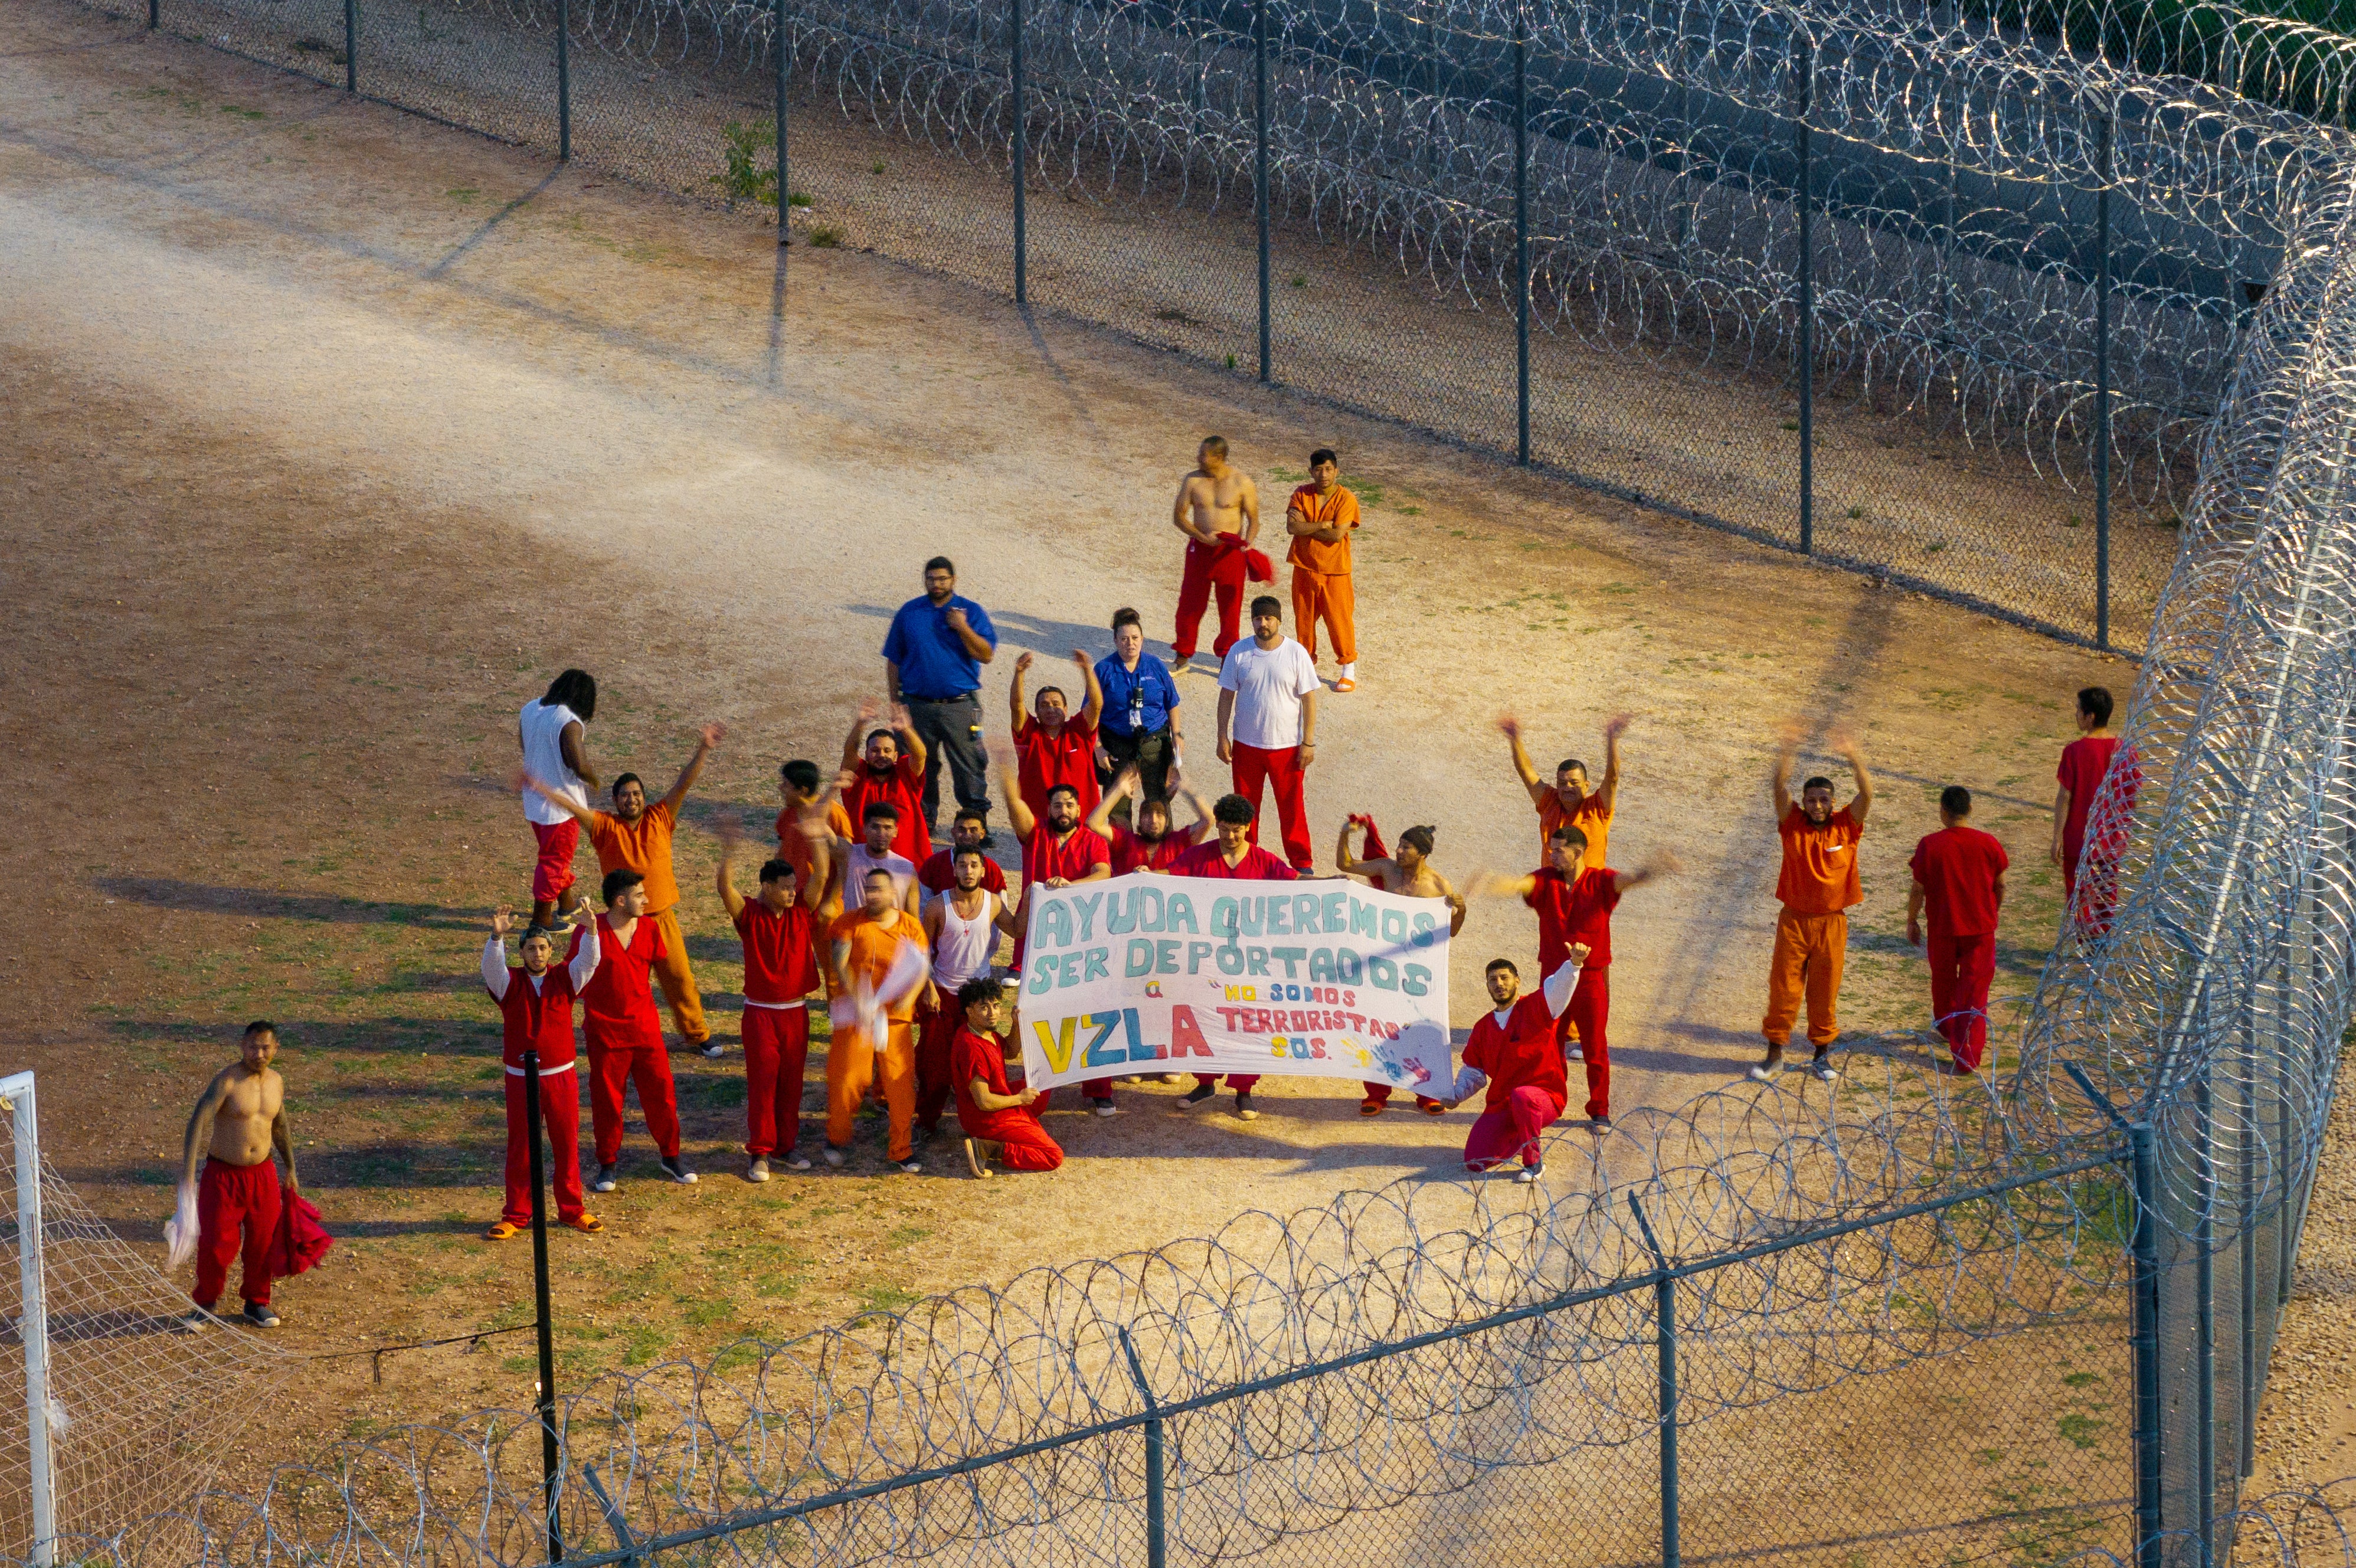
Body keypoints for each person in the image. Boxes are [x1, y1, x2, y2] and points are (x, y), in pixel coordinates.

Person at [524, 722, 725, 1057]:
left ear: (644, 797)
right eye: (624, 795)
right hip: (623, 924)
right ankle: (617, 1037)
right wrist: (538, 786)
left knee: (680, 980)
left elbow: (684, 783)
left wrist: (703, 748)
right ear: (616, 801)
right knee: (621, 988)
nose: (631, 800)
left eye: (636, 794)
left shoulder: (662, 816)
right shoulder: (604, 826)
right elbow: (570, 807)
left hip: (661, 919)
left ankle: (698, 1034)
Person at [1480, 829, 1678, 1130]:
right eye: (1551, 849)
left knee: (1595, 1046)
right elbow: (1521, 884)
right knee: (1549, 1043)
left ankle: (1600, 1109)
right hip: (1554, 978)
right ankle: (1552, 1101)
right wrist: (1498, 884)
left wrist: (1654, 868)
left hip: (1589, 979)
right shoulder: (1546, 880)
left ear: (1578, 852)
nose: (1552, 855)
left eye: (1559, 850)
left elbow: (1632, 880)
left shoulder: (1601, 881)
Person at [1750, 730, 1873, 1083]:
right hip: (1794, 922)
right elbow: (1778, 789)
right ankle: (1775, 1056)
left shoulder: (1847, 827)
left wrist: (1853, 755)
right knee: (1784, 990)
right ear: (1803, 803)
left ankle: (1822, 1056)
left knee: (1825, 991)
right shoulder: (1792, 825)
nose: (1818, 806)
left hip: (1831, 924)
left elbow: (1867, 794)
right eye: (1811, 800)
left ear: (1833, 802)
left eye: (1824, 800)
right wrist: (1787, 749)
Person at [1167, 793, 1299, 1118]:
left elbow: (1297, 882)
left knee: (1247, 1022)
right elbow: (1166, 877)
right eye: (1224, 829)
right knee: (1203, 1017)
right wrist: (1143, 874)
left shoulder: (1264, 861)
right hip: (1206, 959)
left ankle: (1244, 1091)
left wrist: (1331, 883)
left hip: (1250, 962)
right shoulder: (1199, 856)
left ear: (1248, 827)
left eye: (1237, 829)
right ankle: (1205, 1083)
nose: (1230, 836)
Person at [997, 754, 1116, 1110]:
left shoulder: (1092, 840)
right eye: (1056, 805)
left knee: (1092, 1012)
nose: (1063, 811)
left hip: (1083, 941)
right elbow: (1015, 807)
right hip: (1041, 945)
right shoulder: (1036, 835)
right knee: (1039, 1014)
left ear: (1079, 809)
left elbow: (1103, 874)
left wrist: (1069, 886)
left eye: (1069, 805)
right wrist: (1006, 774)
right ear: (1047, 809)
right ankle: (1038, 1087)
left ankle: (1099, 1089)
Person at [567, 869, 697, 1190]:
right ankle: (608, 1163)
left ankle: (671, 1156)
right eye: (640, 895)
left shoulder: (650, 928)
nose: (647, 900)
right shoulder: (590, 930)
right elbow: (573, 975)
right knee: (607, 1101)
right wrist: (590, 936)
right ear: (620, 901)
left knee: (662, 1095)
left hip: (645, 1029)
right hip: (605, 1032)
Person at [718, 813, 830, 1180]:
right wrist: (729, 849)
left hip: (796, 1014)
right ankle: (760, 1152)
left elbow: (821, 877)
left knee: (791, 1084)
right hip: (761, 1015)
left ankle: (785, 1147)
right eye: (785, 887)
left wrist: (817, 838)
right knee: (764, 1084)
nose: (792, 893)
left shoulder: (801, 914)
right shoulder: (750, 914)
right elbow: (725, 888)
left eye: (794, 887)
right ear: (766, 887)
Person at [480, 909, 603, 1238]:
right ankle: (516, 1214)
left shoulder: (565, 978)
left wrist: (592, 932)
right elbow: (491, 970)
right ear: (522, 952)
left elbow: (588, 963)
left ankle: (572, 1210)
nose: (538, 954)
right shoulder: (509, 983)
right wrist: (496, 937)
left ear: (551, 951)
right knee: (521, 1146)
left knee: (566, 1144)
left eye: (543, 948)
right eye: (531, 948)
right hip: (520, 1078)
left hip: (560, 1076)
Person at [176, 1022, 300, 1329]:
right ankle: (205, 1304)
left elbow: (280, 1125)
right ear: (242, 1047)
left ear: (276, 1048)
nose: (259, 1054)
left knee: (263, 1242)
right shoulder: (227, 1081)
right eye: (253, 1047)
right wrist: (189, 1174)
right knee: (216, 1244)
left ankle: (256, 1303)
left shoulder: (276, 1082)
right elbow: (198, 1121)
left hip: (263, 1174)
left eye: (265, 1048)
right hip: (224, 1175)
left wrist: (291, 1168)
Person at [1336, 820, 1464, 1115]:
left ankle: (1426, 1092)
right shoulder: (1387, 869)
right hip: (1383, 965)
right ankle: (1376, 1094)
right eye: (1399, 845)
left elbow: (1451, 932)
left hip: (1417, 968)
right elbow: (1346, 864)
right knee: (1378, 1027)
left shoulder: (1439, 886)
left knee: (1420, 1032)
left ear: (1423, 854)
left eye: (1406, 847)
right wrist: (1344, 834)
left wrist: (1462, 910)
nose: (1399, 851)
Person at [1440, 952, 1587, 1184]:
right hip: (1503, 1103)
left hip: (1544, 1097)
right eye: (1493, 980)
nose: (1499, 984)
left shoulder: (1539, 1006)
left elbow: (1559, 986)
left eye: (1504, 978)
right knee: (1475, 1161)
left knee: (1523, 1096)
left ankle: (1533, 1161)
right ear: (1487, 986)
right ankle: (1520, 1138)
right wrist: (1456, 1096)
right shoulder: (1483, 1028)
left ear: (1517, 981)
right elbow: (1473, 1072)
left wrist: (1574, 964)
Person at [882, 557, 999, 839]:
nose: (937, 584)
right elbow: (894, 659)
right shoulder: (909, 613)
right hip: (916, 705)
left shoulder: (970, 612)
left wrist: (963, 627)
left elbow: (986, 655)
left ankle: (976, 827)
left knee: (969, 764)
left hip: (960, 705)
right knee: (918, 764)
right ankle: (922, 826)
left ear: (953, 580)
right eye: (931, 579)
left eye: (942, 579)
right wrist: (895, 703)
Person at [827, 867, 932, 1171]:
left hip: (895, 1017)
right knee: (848, 1080)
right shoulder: (848, 923)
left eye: (879, 889)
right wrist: (860, 999)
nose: (873, 895)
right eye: (869, 889)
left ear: (892, 893)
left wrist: (909, 998)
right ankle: (837, 1138)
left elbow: (921, 966)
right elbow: (840, 964)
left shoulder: (910, 926)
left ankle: (901, 1148)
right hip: (856, 1014)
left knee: (900, 1087)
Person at [1907, 786, 2010, 1074]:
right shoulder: (1988, 843)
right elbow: (2001, 885)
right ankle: (1967, 1054)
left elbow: (1918, 889)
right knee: (1974, 992)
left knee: (1943, 981)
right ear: (1970, 809)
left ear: (1943, 811)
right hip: (1979, 929)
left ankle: (1947, 1025)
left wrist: (1912, 920)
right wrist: (1993, 910)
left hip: (1943, 926)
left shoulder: (1930, 845)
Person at [1217, 596, 1321, 870]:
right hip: (1246, 745)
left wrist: (1308, 742)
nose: (1263, 624)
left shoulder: (1296, 653)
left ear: (1278, 620)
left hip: (1287, 747)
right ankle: (1245, 858)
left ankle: (1301, 862)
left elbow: (1309, 699)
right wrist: (1222, 737)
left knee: (1292, 807)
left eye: (1268, 618)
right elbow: (1226, 696)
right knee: (1246, 807)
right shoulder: (1238, 652)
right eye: (1258, 618)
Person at [917, 845, 1004, 1140]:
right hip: (943, 993)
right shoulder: (936, 906)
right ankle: (926, 1122)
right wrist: (928, 986)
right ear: (954, 869)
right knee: (935, 1066)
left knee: (981, 1065)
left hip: (978, 997)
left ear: (983, 871)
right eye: (963, 865)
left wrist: (1032, 895)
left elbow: (1018, 930)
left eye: (974, 865)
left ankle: (985, 1124)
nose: (968, 871)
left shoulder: (993, 903)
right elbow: (921, 950)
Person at [951, 978, 1064, 1177]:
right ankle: (988, 1148)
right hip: (985, 1118)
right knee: (1053, 1155)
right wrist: (1020, 1099)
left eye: (996, 1006)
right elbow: (984, 1102)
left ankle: (1020, 1126)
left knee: (1041, 1083)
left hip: (998, 1102)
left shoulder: (984, 1031)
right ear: (969, 1010)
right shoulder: (972, 1047)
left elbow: (1010, 1051)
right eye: (984, 1008)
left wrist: (1017, 1024)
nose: (993, 1013)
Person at [1171, 436, 1262, 670]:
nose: (1198, 458)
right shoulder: (1193, 480)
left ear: (1219, 457)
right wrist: (1202, 537)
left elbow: (1254, 520)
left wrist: (1248, 542)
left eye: (1203, 455)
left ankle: (1227, 657)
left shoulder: (1242, 482)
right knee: (1190, 603)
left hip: (1230, 551)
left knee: (1230, 606)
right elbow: (1179, 517)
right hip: (1200, 549)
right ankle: (1183, 655)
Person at [2053, 685, 2137, 935]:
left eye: (2078, 710)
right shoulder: (2125, 750)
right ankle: (2102, 937)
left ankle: (2085, 938)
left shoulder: (2074, 752)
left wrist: (2057, 837)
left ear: (2090, 717)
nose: (2076, 714)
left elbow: (2065, 797)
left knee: (2079, 891)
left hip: (2079, 837)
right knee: (2107, 889)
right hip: (2111, 836)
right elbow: (2131, 794)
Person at [518, 670, 599, 929]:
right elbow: (579, 764)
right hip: (561, 809)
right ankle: (541, 918)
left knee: (553, 856)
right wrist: (594, 780)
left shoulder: (530, 709)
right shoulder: (568, 722)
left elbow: (525, 745)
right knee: (554, 862)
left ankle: (566, 905)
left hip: (534, 802)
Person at [1498, 712, 1627, 867]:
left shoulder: (1597, 809)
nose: (1568, 788)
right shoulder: (1549, 803)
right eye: (1563, 783)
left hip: (1588, 883)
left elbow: (1612, 778)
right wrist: (1515, 739)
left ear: (1586, 785)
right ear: (1557, 785)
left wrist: (1612, 739)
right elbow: (1526, 772)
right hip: (1553, 882)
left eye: (1574, 783)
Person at [1094, 607, 1184, 822]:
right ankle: (1121, 844)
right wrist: (1098, 747)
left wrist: (1177, 735)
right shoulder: (1104, 670)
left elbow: (1172, 704)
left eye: (1135, 638)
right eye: (1124, 639)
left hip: (1154, 742)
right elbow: (1090, 714)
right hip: (1117, 744)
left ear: (1142, 639)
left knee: (1158, 803)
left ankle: (1159, 843)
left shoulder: (1156, 666)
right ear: (1115, 641)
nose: (1130, 644)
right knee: (1117, 806)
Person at [1285, 448, 1362, 691]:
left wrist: (1307, 527)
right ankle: (1306, 666)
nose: (1324, 475)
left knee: (1339, 620)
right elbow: (1292, 528)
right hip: (1304, 566)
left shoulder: (1347, 499)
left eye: (1328, 469)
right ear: (1311, 471)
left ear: (1337, 471)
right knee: (1304, 620)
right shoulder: (1301, 493)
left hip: (1335, 570)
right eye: (1318, 470)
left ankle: (1348, 669)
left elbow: (1337, 535)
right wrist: (1322, 525)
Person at [1011, 649, 1105, 835]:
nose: (1051, 709)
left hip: (1081, 824)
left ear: (1066, 709)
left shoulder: (1079, 731)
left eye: (1056, 704)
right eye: (1044, 705)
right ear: (1036, 712)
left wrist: (1087, 670)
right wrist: (1019, 673)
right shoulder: (1029, 735)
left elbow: (1096, 705)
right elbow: (1016, 706)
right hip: (1040, 825)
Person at [840, 700, 932, 866]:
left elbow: (920, 754)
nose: (881, 755)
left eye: (887, 751)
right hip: (865, 864)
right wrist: (860, 724)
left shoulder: (905, 773)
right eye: (875, 751)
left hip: (906, 865)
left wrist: (906, 730)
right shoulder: (858, 776)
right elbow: (849, 751)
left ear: (896, 756)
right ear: (866, 754)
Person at [1089, 764, 1216, 873]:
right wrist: (1119, 790)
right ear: (1140, 820)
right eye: (1147, 815)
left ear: (1167, 821)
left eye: (1159, 815)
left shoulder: (1178, 843)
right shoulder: (1125, 842)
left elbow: (1208, 820)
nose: (1154, 820)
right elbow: (1093, 824)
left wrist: (1186, 789)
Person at [774, 759, 853, 910]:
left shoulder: (835, 813)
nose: (781, 788)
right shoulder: (786, 815)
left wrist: (832, 901)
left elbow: (847, 861)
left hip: (824, 906)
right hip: (795, 903)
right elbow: (782, 854)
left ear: (802, 790)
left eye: (786, 784)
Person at [839, 797, 921, 917]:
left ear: (896, 832)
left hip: (892, 929)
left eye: (888, 828)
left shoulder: (907, 870)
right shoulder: (849, 854)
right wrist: (833, 791)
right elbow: (820, 835)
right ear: (864, 828)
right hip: (853, 928)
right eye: (875, 827)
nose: (881, 834)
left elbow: (913, 918)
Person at [918, 808, 1009, 904]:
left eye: (973, 830)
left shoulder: (992, 870)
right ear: (953, 832)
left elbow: (1001, 908)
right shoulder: (933, 865)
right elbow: (923, 906)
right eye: (962, 830)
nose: (967, 836)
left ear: (982, 834)